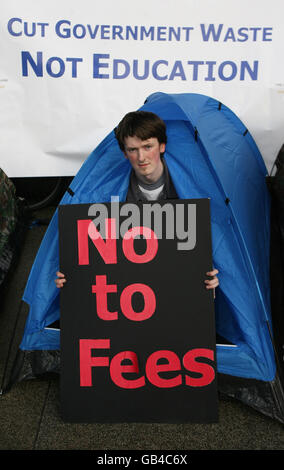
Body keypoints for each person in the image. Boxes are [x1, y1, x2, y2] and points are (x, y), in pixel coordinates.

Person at [55, 110, 219, 290]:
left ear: (162, 146)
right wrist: (73, 277)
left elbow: (209, 248)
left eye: (148, 147)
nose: (141, 158)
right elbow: (97, 257)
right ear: (125, 153)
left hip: (172, 291)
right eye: (133, 150)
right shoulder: (114, 192)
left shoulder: (188, 190)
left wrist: (209, 277)